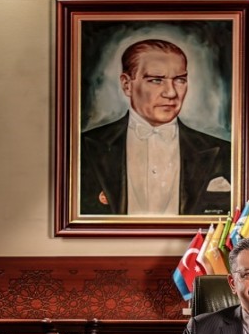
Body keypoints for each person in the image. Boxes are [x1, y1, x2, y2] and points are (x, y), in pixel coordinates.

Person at [80, 39, 231, 216]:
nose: (171, 93)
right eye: (156, 80)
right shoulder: (84, 148)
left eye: (180, 80)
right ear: (127, 85)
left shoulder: (223, 151)